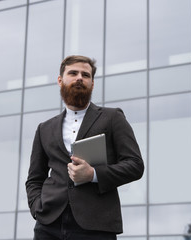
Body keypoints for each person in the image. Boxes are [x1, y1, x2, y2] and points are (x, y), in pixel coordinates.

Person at [25, 55, 144, 239]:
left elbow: (135, 165)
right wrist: (37, 208)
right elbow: (34, 179)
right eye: (73, 73)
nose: (79, 77)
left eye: (85, 75)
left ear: (92, 84)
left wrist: (93, 175)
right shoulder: (44, 128)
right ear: (60, 80)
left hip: (96, 226)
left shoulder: (113, 118)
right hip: (48, 226)